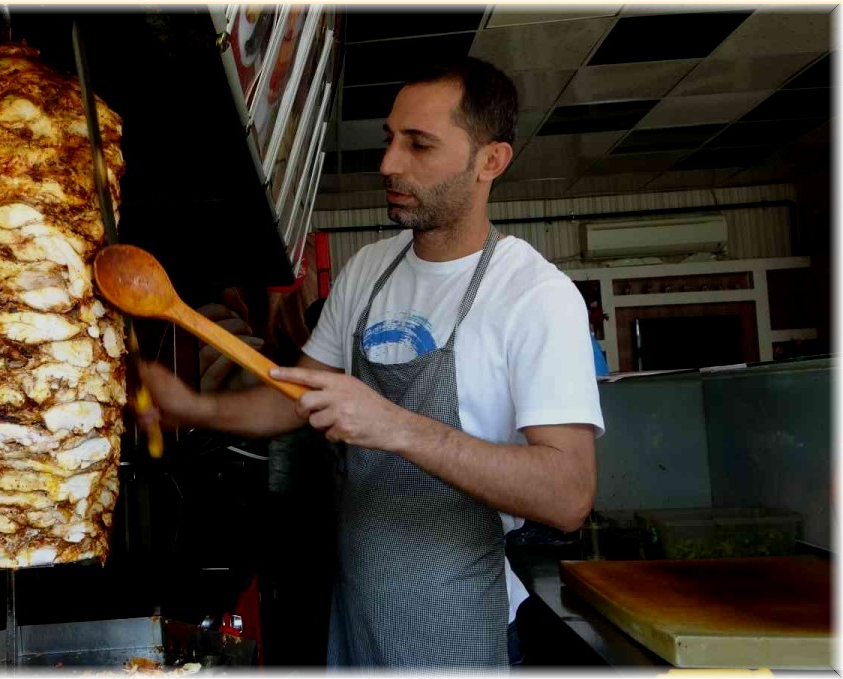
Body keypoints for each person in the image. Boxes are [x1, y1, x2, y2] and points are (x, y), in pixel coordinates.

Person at [139, 57, 604, 669]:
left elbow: (569, 494)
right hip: (360, 615)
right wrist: (196, 407)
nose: (388, 163)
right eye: (391, 139)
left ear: (491, 161)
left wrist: (395, 425)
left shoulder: (534, 295)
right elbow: (297, 396)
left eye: (420, 145)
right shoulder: (368, 270)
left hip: (463, 625)